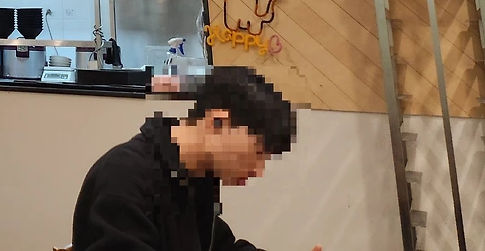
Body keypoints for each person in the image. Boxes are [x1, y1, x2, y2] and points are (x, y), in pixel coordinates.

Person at [72, 66, 320, 251]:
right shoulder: (124, 175)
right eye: (258, 152)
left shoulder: (195, 177)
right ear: (218, 122)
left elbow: (222, 247)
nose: (258, 170)